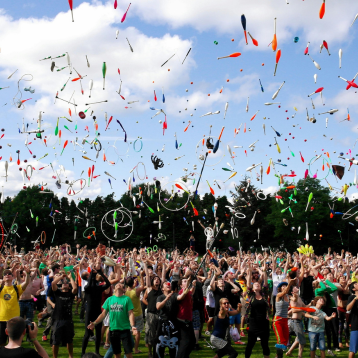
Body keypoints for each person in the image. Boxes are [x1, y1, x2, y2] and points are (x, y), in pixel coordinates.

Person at [87, 280, 137, 358]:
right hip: (113, 330)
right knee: (116, 354)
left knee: (128, 354)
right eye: (117, 285)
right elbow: (103, 314)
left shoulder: (127, 299)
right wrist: (94, 323)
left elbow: (131, 313)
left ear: (124, 289)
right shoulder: (109, 299)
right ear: (114, 288)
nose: (118, 285)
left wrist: (133, 326)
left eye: (120, 285)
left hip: (125, 329)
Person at [82, 258, 111, 356]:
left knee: (97, 333)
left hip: (95, 311)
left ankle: (97, 352)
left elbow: (108, 284)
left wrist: (100, 273)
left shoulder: (98, 288)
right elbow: (107, 283)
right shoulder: (88, 288)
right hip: (91, 311)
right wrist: (97, 273)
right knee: (87, 334)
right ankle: (83, 353)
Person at [244, 262, 270, 358]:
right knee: (250, 343)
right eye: (255, 284)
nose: (257, 285)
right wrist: (250, 272)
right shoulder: (251, 295)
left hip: (264, 322)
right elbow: (248, 285)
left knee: (265, 344)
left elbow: (266, 283)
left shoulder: (264, 294)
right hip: (253, 322)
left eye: (258, 284)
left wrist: (264, 271)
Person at [51, 271, 77, 358]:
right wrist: (61, 277)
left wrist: (70, 278)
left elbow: (75, 288)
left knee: (69, 340)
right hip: (58, 320)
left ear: (69, 287)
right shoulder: (58, 293)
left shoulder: (70, 294)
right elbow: (53, 283)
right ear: (61, 287)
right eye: (63, 284)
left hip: (68, 320)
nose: (64, 284)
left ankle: (71, 356)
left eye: (66, 284)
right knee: (56, 341)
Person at [0, 268, 30, 346]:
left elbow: (26, 282)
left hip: (14, 320)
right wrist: (2, 283)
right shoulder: (1, 288)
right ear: (3, 277)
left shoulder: (17, 288)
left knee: (14, 342)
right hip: (1, 319)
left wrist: (27, 273)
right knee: (1, 342)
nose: (7, 275)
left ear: (13, 277)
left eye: (9, 274)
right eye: (5, 274)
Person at [155, 281, 180, 358]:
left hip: (174, 323)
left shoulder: (175, 295)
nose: (168, 284)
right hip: (162, 323)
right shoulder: (160, 297)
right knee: (160, 346)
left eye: (169, 283)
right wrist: (166, 299)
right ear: (162, 288)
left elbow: (181, 297)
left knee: (173, 346)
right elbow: (158, 307)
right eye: (166, 284)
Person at [272, 280, 295, 358]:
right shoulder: (279, 295)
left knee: (285, 341)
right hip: (278, 320)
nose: (284, 287)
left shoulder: (288, 296)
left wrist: (296, 293)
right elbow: (283, 293)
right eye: (283, 286)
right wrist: (290, 284)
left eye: (286, 286)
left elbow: (295, 300)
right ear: (279, 288)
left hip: (285, 320)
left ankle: (277, 356)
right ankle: (279, 357)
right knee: (280, 340)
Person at [125, 275, 145, 354]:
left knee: (128, 332)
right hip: (138, 314)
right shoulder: (136, 291)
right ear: (133, 283)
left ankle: (129, 348)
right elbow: (143, 286)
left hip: (129, 315)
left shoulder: (125, 292)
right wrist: (142, 275)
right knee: (138, 332)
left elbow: (130, 288)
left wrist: (134, 284)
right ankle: (136, 349)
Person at [347, 282, 358, 358]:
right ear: (354, 289)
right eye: (356, 284)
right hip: (356, 325)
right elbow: (348, 308)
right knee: (353, 350)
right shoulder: (352, 297)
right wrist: (355, 299)